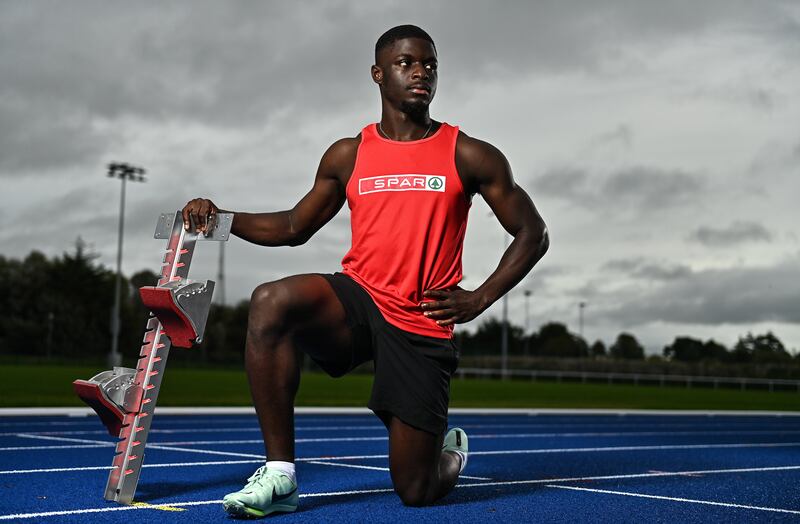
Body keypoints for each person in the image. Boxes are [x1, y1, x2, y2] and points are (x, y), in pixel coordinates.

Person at [182, 24, 549, 517]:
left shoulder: (469, 154)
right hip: (359, 300)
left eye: (429, 65)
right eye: (406, 63)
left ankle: (451, 453)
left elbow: (533, 232)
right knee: (271, 300)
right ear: (378, 74)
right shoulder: (349, 154)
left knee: (416, 490)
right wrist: (219, 219)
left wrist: (479, 297)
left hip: (420, 319)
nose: (420, 73)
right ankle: (281, 475)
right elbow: (293, 226)